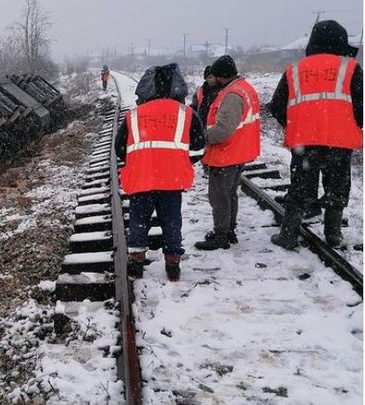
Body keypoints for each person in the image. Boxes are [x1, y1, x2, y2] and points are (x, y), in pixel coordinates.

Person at [268, 20, 363, 249]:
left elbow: (276, 105)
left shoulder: (294, 70)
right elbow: (361, 106)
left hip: (305, 143)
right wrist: (350, 124)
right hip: (339, 142)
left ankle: (288, 236)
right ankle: (334, 236)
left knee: (300, 189)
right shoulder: (350, 68)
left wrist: (294, 125)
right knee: (336, 190)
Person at [115, 63, 205, 281]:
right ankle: (173, 265)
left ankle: (136, 264)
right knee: (172, 221)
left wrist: (141, 161)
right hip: (172, 181)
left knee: (139, 221)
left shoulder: (134, 115)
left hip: (141, 178)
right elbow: (200, 148)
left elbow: (120, 149)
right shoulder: (187, 114)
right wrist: (179, 162)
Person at [194, 55, 261, 250]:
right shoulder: (244, 88)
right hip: (238, 151)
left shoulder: (232, 94)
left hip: (226, 153)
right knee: (229, 194)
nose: (210, 78)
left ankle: (221, 235)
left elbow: (222, 130)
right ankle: (229, 230)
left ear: (221, 76)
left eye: (213, 75)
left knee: (219, 196)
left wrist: (203, 137)